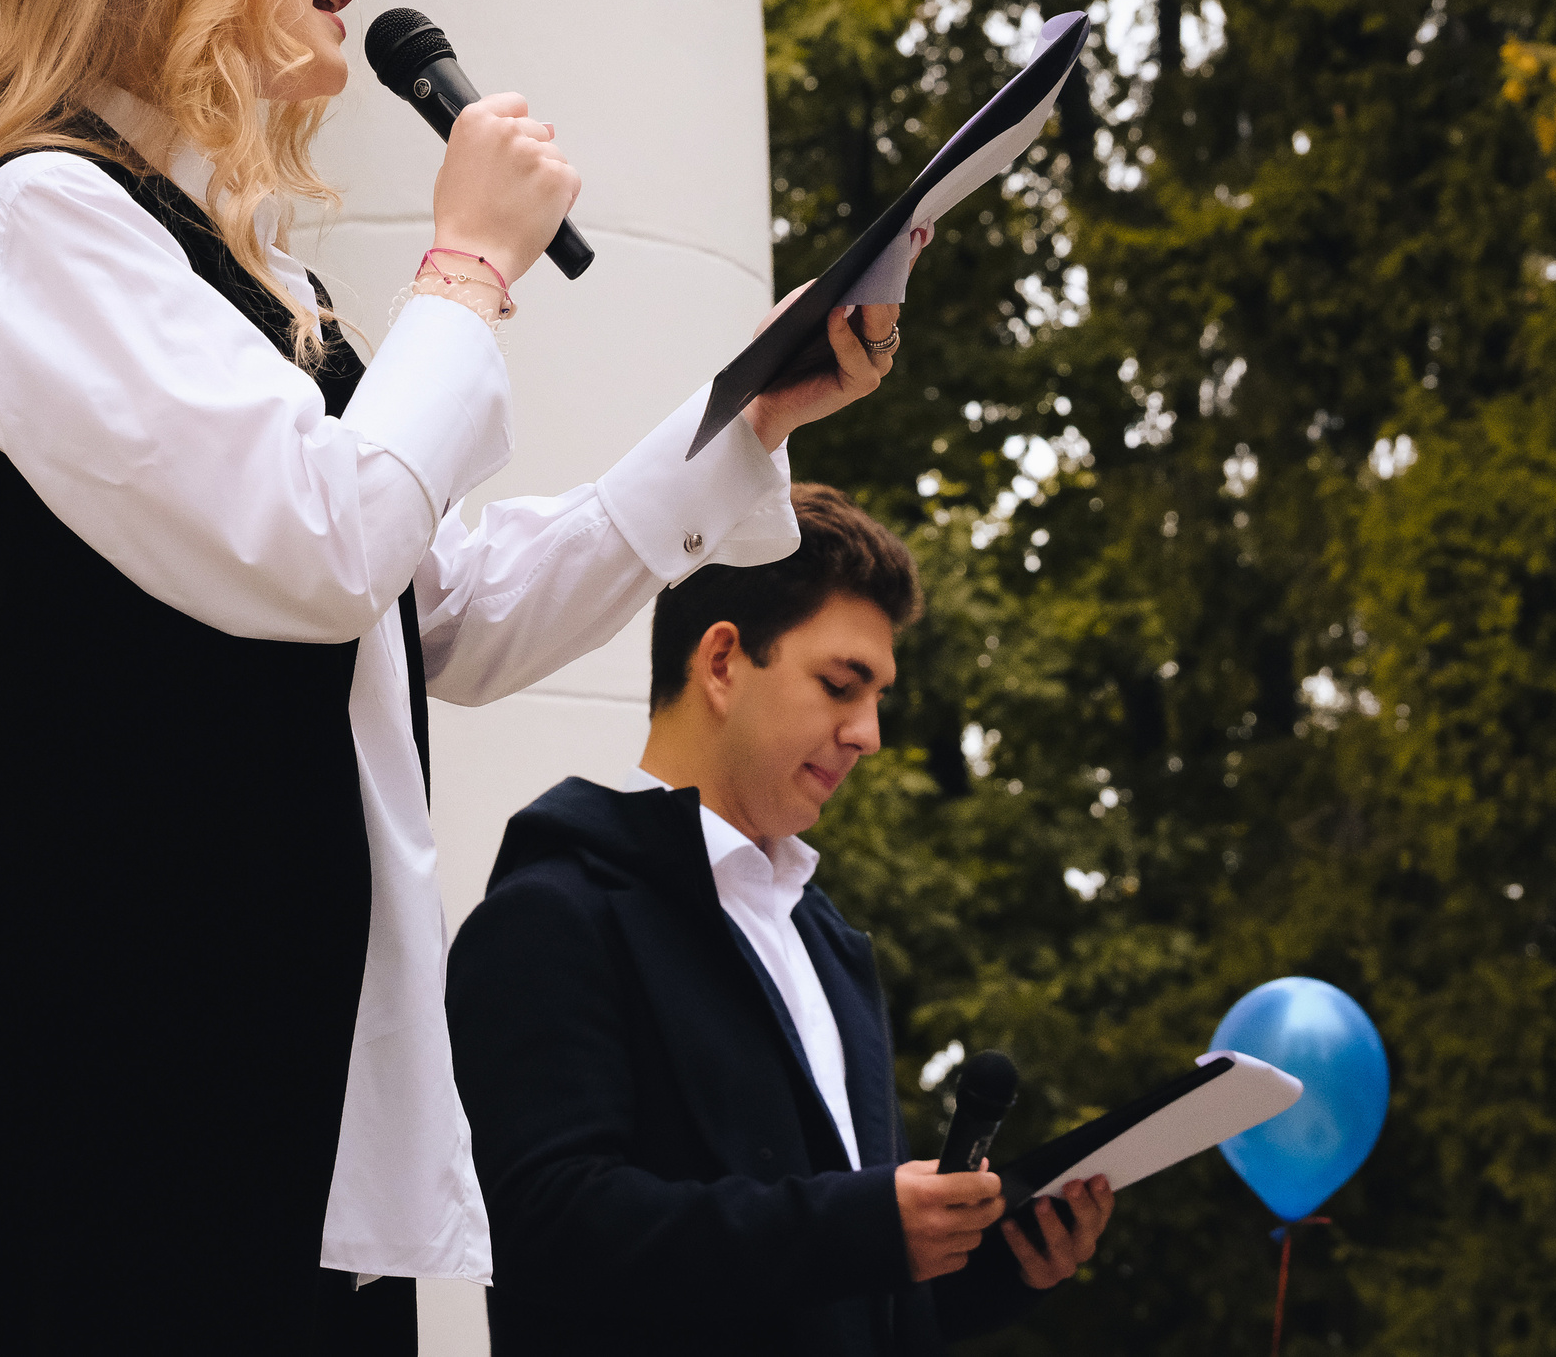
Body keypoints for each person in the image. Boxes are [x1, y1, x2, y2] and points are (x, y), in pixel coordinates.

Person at [0, 0, 902, 1353]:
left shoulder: (264, 289)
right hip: (113, 1079)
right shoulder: (46, 215)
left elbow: (435, 614)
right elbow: (323, 543)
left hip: (280, 1076)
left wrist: (740, 422)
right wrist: (465, 266)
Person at [445, 483, 1117, 1355]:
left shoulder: (831, 949)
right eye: (842, 684)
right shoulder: (552, 916)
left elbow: (846, 1297)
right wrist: (868, 1224)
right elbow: (551, 1232)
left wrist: (1000, 1265)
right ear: (721, 662)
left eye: (877, 695)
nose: (869, 733)